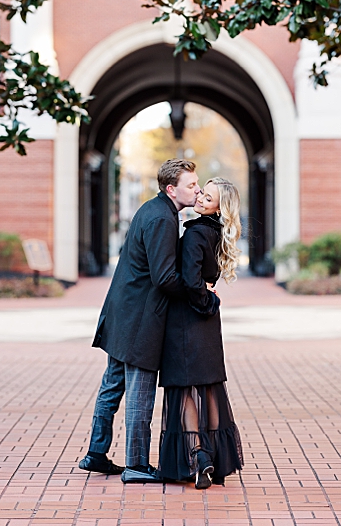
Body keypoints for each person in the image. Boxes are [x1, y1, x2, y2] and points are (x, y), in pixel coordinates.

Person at [79, 159, 219, 483]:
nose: (197, 190)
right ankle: (136, 465)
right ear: (172, 189)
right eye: (191, 185)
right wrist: (200, 290)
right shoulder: (162, 219)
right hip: (140, 319)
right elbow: (165, 278)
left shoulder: (157, 210)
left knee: (112, 386)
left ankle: (96, 454)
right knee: (139, 395)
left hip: (124, 312)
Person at [157, 177, 244, 489]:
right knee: (208, 388)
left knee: (184, 389)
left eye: (209, 198)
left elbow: (193, 282)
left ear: (220, 206)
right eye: (203, 193)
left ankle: (198, 455)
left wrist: (207, 301)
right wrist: (211, 301)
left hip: (188, 319)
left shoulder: (195, 233)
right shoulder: (216, 230)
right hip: (206, 320)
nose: (201, 199)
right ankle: (214, 459)